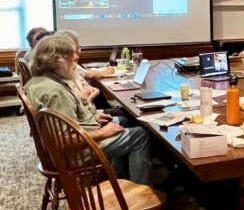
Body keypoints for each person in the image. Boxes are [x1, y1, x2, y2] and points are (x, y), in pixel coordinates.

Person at [25, 35, 152, 185]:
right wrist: (103, 132)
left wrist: (93, 118)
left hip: (78, 137)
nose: (77, 57)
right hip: (77, 152)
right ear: (57, 60)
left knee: (123, 121)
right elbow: (62, 141)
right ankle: (138, 190)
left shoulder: (41, 81)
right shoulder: (55, 92)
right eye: (72, 54)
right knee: (140, 135)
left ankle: (119, 182)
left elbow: (67, 118)